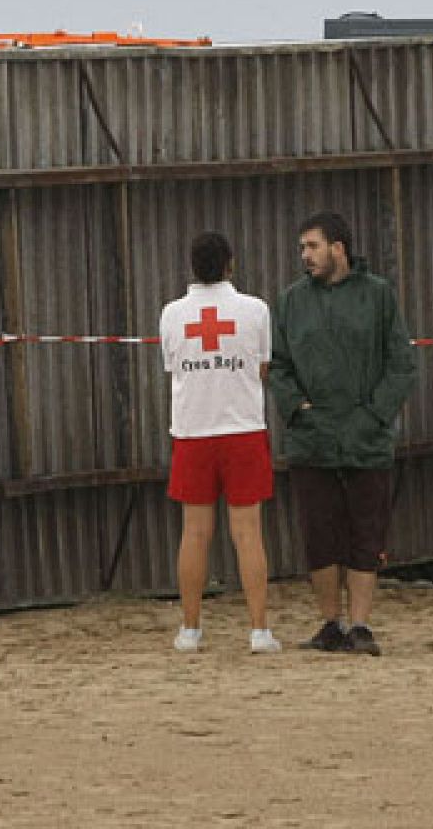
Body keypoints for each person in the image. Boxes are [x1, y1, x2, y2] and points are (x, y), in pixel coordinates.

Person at [268, 211, 417, 656]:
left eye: (312, 246)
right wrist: (297, 409)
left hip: (365, 438)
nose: (305, 256)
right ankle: (329, 624)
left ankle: (361, 625)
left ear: (339, 248)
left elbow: (401, 363)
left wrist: (375, 416)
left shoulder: (378, 296)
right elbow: (278, 364)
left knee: (365, 535)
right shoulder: (292, 301)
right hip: (312, 439)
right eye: (302, 248)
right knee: (319, 535)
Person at [159, 231, 281, 654]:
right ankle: (259, 630)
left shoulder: (172, 314)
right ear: (231, 262)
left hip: (193, 431)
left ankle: (190, 630)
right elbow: (263, 367)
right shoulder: (255, 310)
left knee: (194, 533)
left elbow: (173, 367)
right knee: (248, 533)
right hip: (242, 429)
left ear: (192, 265)